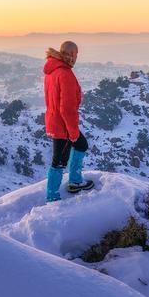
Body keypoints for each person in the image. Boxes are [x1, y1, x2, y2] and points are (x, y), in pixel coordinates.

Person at [43, 41, 94, 202]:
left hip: (54, 120)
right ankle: (53, 196)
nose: (77, 57)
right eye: (76, 54)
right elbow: (67, 108)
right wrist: (72, 132)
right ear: (72, 54)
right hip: (63, 126)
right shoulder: (65, 74)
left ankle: (75, 181)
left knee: (81, 145)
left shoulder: (52, 71)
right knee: (59, 161)